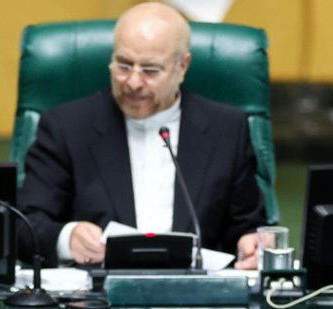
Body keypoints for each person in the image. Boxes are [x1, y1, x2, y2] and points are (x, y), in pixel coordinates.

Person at [18, 2, 265, 269]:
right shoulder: (66, 127)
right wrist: (68, 238)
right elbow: (25, 225)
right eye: (123, 65)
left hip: (195, 298)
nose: (134, 82)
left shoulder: (226, 129)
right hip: (95, 300)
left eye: (150, 70)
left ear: (182, 66)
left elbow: (249, 228)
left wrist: (252, 244)